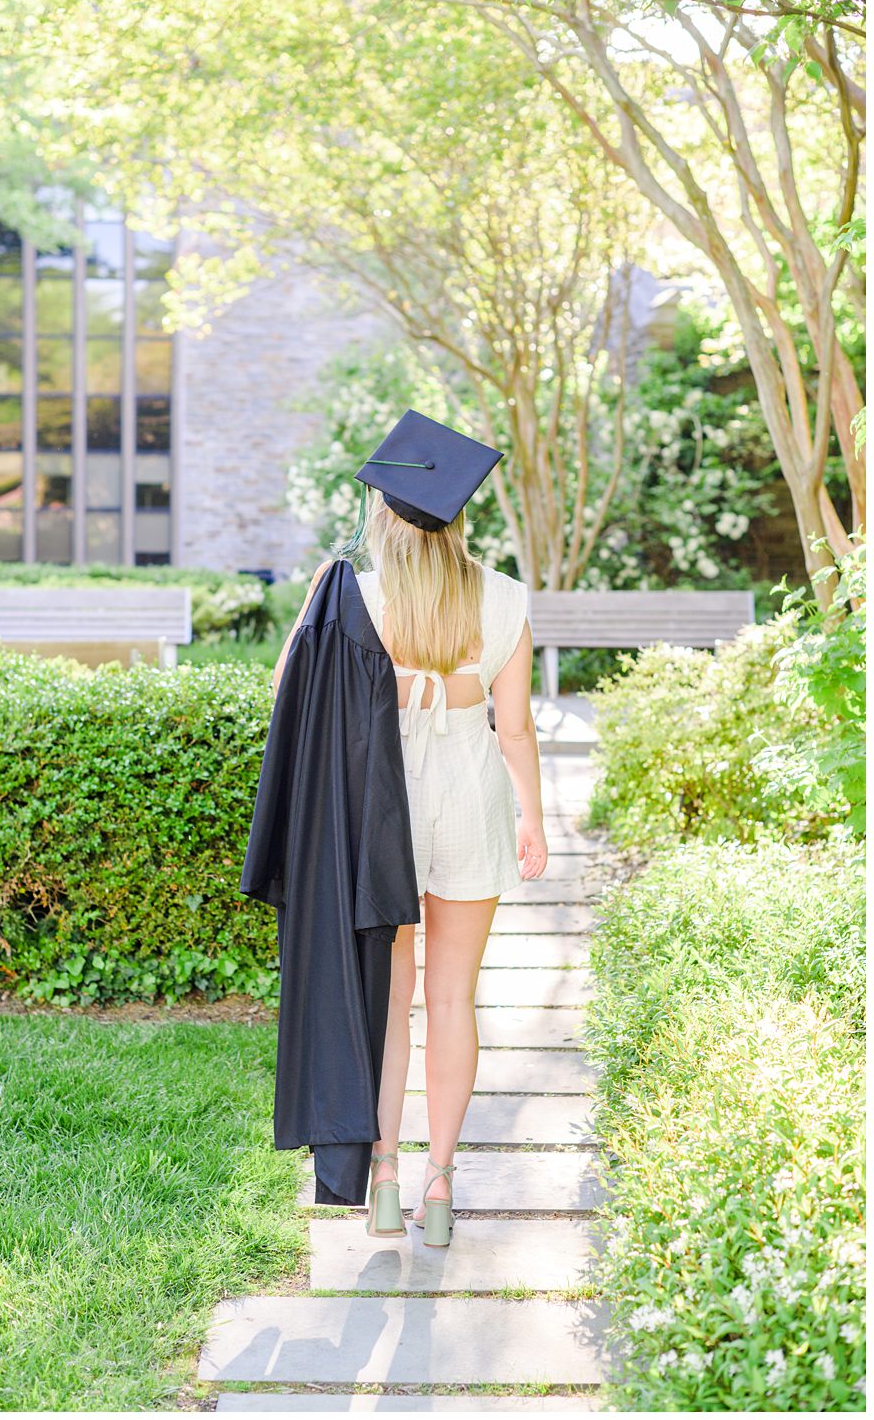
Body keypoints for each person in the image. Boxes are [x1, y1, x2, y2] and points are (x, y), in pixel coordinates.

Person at [272, 410, 547, 1248]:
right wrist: (533, 816)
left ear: (388, 514)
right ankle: (440, 1184)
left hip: (379, 818)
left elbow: (291, 691)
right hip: (469, 807)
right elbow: (515, 728)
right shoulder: (502, 599)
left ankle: (382, 1175)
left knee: (388, 1002)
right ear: (460, 516)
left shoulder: (361, 595)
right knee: (454, 998)